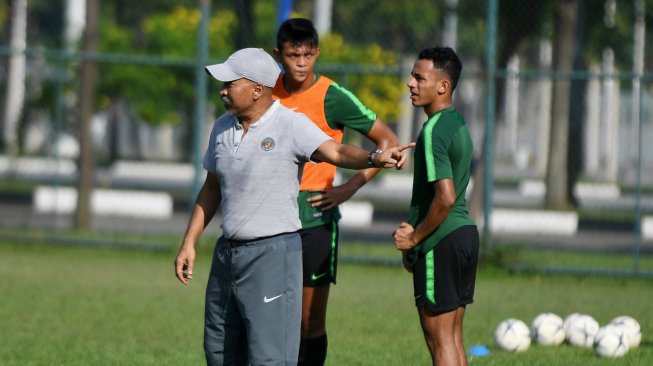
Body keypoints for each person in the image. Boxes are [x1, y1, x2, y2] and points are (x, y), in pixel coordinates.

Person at [174, 47, 413, 366]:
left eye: (230, 83)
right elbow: (211, 187)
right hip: (225, 255)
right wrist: (189, 242)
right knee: (219, 352)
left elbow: (337, 152)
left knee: (269, 358)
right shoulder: (221, 127)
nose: (222, 90)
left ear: (257, 89)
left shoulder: (290, 124)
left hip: (272, 255)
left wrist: (373, 158)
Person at [272, 18, 399, 366]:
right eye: (293, 55)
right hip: (269, 217)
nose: (300, 63)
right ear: (278, 55)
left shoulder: (332, 95)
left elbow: (389, 142)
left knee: (309, 321)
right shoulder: (264, 91)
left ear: (317, 54)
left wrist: (349, 187)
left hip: (314, 215)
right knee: (268, 317)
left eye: (308, 55)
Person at [393, 47, 479, 366]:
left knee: (439, 339)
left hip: (441, 242)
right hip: (464, 236)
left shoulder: (433, 130)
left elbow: (445, 197)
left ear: (443, 86)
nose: (410, 84)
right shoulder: (457, 122)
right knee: (453, 338)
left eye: (419, 78)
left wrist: (414, 238)